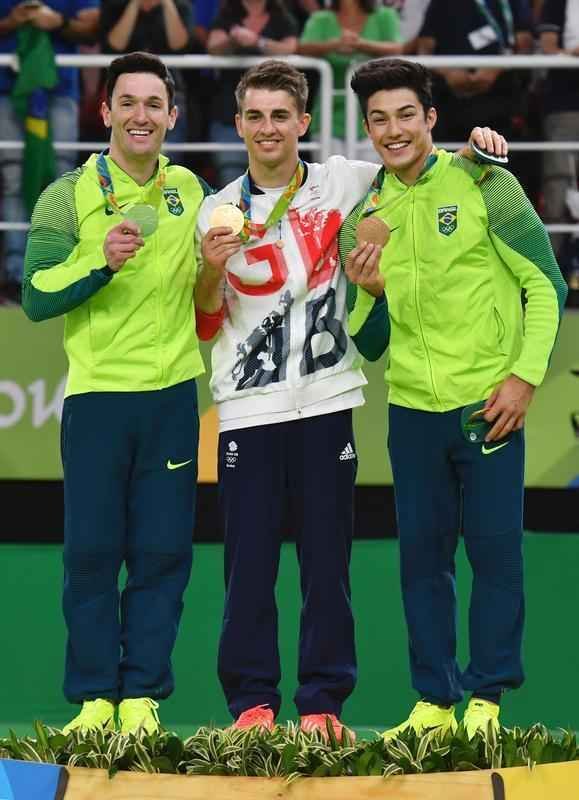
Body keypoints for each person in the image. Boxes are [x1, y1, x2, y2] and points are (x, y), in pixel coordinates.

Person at [194, 58, 509, 740]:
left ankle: (321, 705)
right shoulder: (213, 209)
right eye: (255, 115)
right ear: (239, 123)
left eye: (281, 115)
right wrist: (208, 272)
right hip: (247, 408)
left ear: (303, 122)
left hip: (330, 399)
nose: (268, 128)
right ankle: (251, 704)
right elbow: (204, 320)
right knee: (246, 568)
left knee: (327, 565)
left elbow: (417, 165)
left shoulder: (346, 181)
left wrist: (474, 149)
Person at [341, 57, 568, 740]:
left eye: (405, 114)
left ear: (430, 119)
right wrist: (372, 295)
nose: (393, 130)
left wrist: (524, 378)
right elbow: (365, 338)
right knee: (422, 562)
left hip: (486, 405)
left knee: (495, 555)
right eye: (378, 119)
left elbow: (546, 286)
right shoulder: (363, 217)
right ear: (366, 128)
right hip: (410, 413)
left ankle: (487, 702)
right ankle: (432, 704)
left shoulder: (483, 181)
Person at [22, 51, 211, 735]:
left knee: (163, 553)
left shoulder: (191, 190)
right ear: (105, 112)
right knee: (92, 554)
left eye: (153, 104)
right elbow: (35, 294)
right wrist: (97, 261)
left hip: (169, 397)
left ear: (172, 114)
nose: (141, 116)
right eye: (127, 103)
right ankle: (95, 698)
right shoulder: (64, 194)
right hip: (98, 397)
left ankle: (141, 700)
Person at [0, 0, 100, 301]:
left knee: (63, 183)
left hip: (60, 90)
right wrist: (13, 21)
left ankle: (60, 269)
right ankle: (17, 274)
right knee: (15, 180)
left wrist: (59, 23)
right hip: (8, 91)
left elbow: (93, 27)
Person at [206, 0, 298, 187]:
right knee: (230, 179)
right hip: (229, 112)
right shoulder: (226, 16)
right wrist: (232, 40)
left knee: (273, 178)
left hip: (273, 110)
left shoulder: (281, 17)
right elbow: (213, 47)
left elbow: (290, 47)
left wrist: (258, 42)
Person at [100, 0, 196, 165]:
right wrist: (134, 5)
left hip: (168, 91)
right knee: (122, 155)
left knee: (171, 160)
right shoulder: (115, 5)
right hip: (124, 92)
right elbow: (115, 44)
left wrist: (167, 4)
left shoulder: (180, 6)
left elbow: (180, 45)